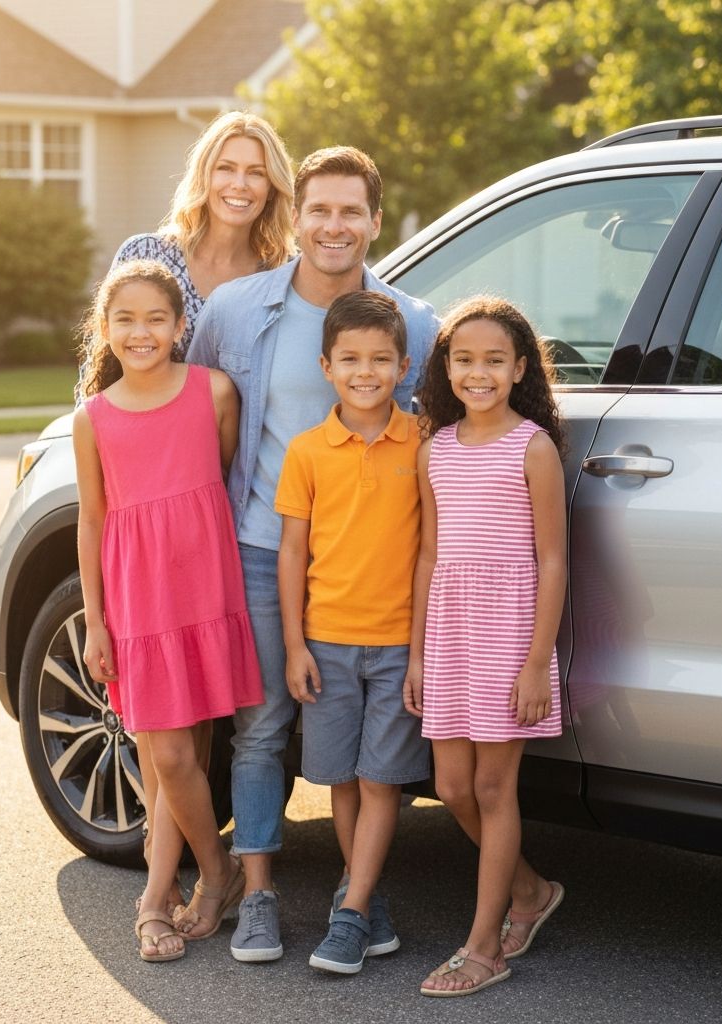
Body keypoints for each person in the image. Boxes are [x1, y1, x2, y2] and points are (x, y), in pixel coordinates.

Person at [187, 145, 438, 963]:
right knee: (261, 731)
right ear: (296, 216)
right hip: (264, 550)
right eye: (319, 209)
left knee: (366, 747)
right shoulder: (234, 308)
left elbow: (440, 436)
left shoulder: (417, 324)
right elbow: (191, 415)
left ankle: (357, 895)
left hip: (372, 568)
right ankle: (257, 893)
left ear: (374, 219)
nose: (334, 226)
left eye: (351, 212)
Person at [73, 259, 264, 962]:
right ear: (105, 328)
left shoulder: (213, 392)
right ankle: (213, 873)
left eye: (157, 317)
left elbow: (220, 475)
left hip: (203, 589)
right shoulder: (92, 418)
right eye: (125, 318)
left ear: (183, 325)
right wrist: (96, 619)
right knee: (170, 750)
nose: (141, 331)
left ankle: (164, 891)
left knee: (189, 750)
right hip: (137, 601)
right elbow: (92, 521)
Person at [403, 296, 567, 997]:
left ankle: (483, 947)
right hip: (449, 632)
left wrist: (536, 664)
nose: (478, 373)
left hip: (508, 635)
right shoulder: (434, 449)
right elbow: (430, 555)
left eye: (495, 360)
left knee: (495, 787)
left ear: (520, 367)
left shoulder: (533, 447)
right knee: (451, 788)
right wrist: (417, 654)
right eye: (464, 360)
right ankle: (530, 892)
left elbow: (553, 561)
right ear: (446, 367)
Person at [275, 290, 429, 974]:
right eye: (350, 360)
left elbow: (430, 550)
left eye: (380, 359)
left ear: (402, 366)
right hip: (326, 643)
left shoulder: (422, 444)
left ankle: (351, 911)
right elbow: (291, 553)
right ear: (326, 366)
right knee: (339, 779)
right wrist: (293, 644)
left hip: (397, 644)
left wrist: (422, 651)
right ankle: (366, 899)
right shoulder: (308, 452)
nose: (365, 371)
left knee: (379, 781)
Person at [111, 110, 295, 356]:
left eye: (256, 173)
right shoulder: (145, 254)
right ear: (204, 176)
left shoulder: (283, 274)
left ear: (271, 188)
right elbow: (101, 365)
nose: (239, 184)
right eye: (226, 168)